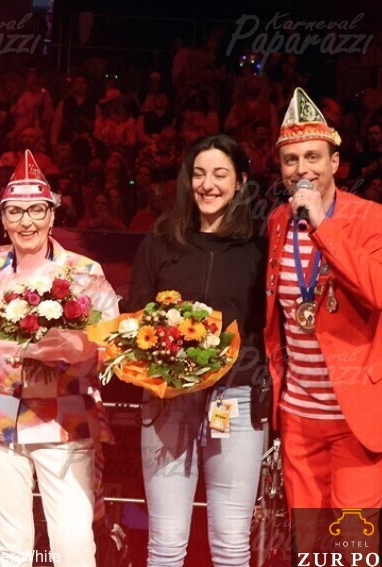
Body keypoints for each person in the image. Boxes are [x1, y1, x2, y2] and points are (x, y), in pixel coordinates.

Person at [0, 150, 118, 567]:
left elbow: (108, 339)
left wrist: (79, 352)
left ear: (52, 215)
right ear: (3, 219)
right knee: (9, 544)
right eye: (15, 212)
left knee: (73, 542)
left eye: (36, 210)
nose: (26, 221)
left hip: (65, 412)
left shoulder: (84, 270)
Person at [127, 135, 266, 566]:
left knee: (231, 541)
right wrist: (161, 366)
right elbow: (134, 319)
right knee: (166, 541)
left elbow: (267, 326)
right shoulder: (160, 241)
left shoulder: (259, 248)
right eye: (199, 174)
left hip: (236, 401)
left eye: (220, 174)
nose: (208, 184)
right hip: (167, 401)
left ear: (240, 182)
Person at [265, 88, 382, 511]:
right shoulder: (277, 221)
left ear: (335, 162)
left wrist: (322, 225)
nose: (301, 168)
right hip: (299, 414)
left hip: (357, 415)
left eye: (313, 156)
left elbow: (381, 291)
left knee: (351, 540)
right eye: (291, 159)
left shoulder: (376, 220)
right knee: (307, 538)